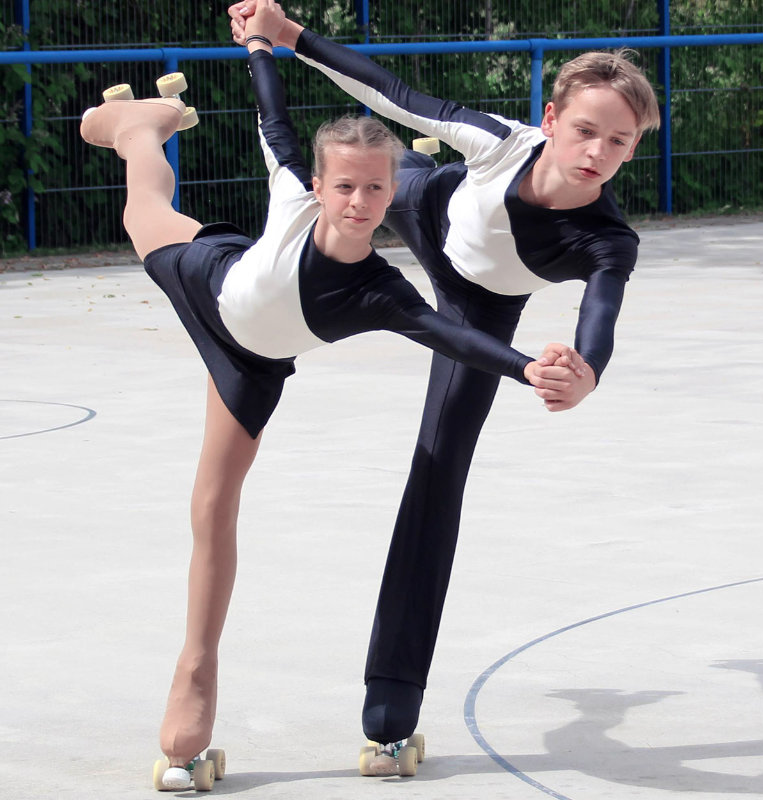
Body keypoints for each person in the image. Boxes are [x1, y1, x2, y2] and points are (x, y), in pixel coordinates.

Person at [81, 0, 583, 787]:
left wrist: (525, 369)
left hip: (249, 366)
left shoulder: (382, 292)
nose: (358, 202)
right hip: (209, 282)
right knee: (146, 211)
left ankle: (195, 674)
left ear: (392, 192)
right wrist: (259, 44)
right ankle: (139, 130)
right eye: (344, 185)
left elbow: (452, 336)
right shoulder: (291, 185)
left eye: (375, 189)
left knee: (212, 504)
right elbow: (273, 114)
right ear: (318, 184)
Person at [229, 3, 661, 752]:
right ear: (551, 120)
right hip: (423, 204)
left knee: (439, 469)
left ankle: (390, 701)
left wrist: (586, 373)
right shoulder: (503, 142)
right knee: (372, 174)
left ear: (633, 148)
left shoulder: (607, 239)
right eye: (585, 130)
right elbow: (391, 93)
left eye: (618, 141)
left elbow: (600, 315)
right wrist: (291, 36)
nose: (597, 151)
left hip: (479, 306)